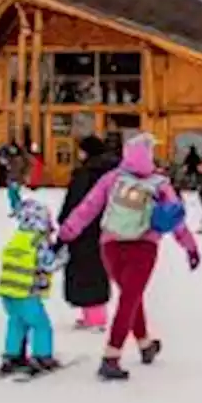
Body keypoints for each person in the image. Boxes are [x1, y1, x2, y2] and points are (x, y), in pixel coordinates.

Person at [58, 133, 200, 381]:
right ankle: (111, 356)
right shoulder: (159, 184)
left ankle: (145, 344)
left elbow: (87, 207)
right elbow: (176, 219)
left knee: (130, 297)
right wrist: (189, 246)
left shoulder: (112, 179)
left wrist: (66, 233)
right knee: (129, 299)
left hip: (110, 245)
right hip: (143, 246)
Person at [0, 199, 67, 378]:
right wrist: (63, 256)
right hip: (27, 293)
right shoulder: (37, 240)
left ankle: (13, 355)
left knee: (16, 323)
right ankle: (42, 356)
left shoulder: (18, 237)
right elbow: (48, 264)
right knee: (41, 325)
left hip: (8, 292)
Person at [57, 135, 116, 331]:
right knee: (96, 269)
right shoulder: (113, 172)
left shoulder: (87, 173)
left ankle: (95, 318)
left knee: (85, 270)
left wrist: (65, 222)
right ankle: (91, 314)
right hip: (106, 227)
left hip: (84, 228)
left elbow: (77, 202)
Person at [4, 141, 27, 211]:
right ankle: (16, 208)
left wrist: (9, 165)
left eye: (13, 149)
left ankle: (17, 208)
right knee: (12, 194)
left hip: (16, 179)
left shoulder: (18, 158)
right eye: (10, 148)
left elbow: (19, 168)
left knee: (13, 194)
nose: (11, 150)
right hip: (11, 179)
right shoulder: (10, 158)